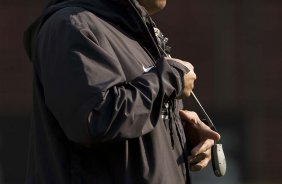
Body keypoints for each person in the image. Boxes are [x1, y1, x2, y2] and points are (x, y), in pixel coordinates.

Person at [23, 0, 220, 183]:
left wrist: (179, 131)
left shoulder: (131, 33)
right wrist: (170, 78)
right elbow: (97, 118)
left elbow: (129, 122)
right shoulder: (72, 25)